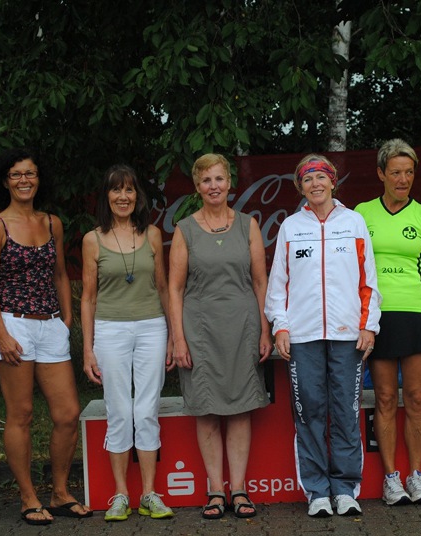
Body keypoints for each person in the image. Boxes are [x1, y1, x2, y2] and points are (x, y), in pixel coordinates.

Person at [0, 148, 91, 525]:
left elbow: (60, 274)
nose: (24, 180)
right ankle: (29, 497)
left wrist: (68, 317)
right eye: (16, 174)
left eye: (30, 173)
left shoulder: (52, 222)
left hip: (50, 325)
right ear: (5, 181)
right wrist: (2, 332)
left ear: (39, 179)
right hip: (13, 324)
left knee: (67, 413)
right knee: (22, 413)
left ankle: (59, 493)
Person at [265, 154, 382, 518]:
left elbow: (369, 281)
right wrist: (280, 326)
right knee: (309, 412)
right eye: (308, 179)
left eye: (321, 177)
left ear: (333, 182)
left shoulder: (354, 222)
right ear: (300, 187)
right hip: (302, 336)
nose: (315, 184)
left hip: (349, 334)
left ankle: (346, 489)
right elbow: (278, 285)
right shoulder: (291, 227)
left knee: (346, 412)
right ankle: (317, 491)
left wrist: (369, 325)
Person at [168, 153, 272, 520]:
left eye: (220, 179)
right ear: (197, 187)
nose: (214, 186)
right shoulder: (184, 229)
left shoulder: (248, 225)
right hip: (200, 331)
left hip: (243, 328)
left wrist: (265, 328)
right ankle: (215, 491)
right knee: (208, 411)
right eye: (206, 180)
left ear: (230, 183)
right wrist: (178, 338)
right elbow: (175, 289)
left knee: (241, 407)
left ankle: (239, 490)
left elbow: (260, 281)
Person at [80, 164, 174, 521]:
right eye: (116, 190)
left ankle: (150, 493)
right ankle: (120, 494)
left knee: (146, 410)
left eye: (130, 190)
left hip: (152, 328)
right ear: (107, 196)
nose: (123, 197)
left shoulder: (151, 234)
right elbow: (88, 298)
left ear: (138, 196)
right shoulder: (93, 239)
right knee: (119, 411)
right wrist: (87, 348)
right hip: (110, 330)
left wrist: (172, 337)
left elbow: (163, 288)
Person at [355, 139, 421, 506]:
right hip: (377, 316)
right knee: (387, 398)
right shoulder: (361, 213)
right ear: (381, 174)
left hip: (416, 313)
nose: (403, 179)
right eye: (396, 172)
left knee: (418, 397)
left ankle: (417, 475)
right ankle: (392, 479)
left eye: (409, 172)